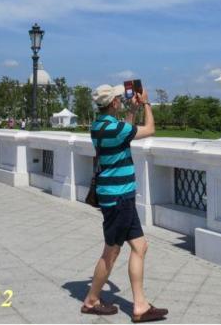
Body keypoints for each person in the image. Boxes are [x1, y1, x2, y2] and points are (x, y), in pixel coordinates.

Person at [81, 84, 168, 323]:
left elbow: (125, 132)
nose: (121, 100)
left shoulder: (99, 127)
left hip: (117, 196)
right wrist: (146, 103)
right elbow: (150, 129)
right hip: (118, 197)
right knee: (111, 251)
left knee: (140, 247)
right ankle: (91, 300)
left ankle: (140, 305)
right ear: (113, 103)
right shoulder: (116, 129)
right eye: (119, 98)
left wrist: (131, 110)